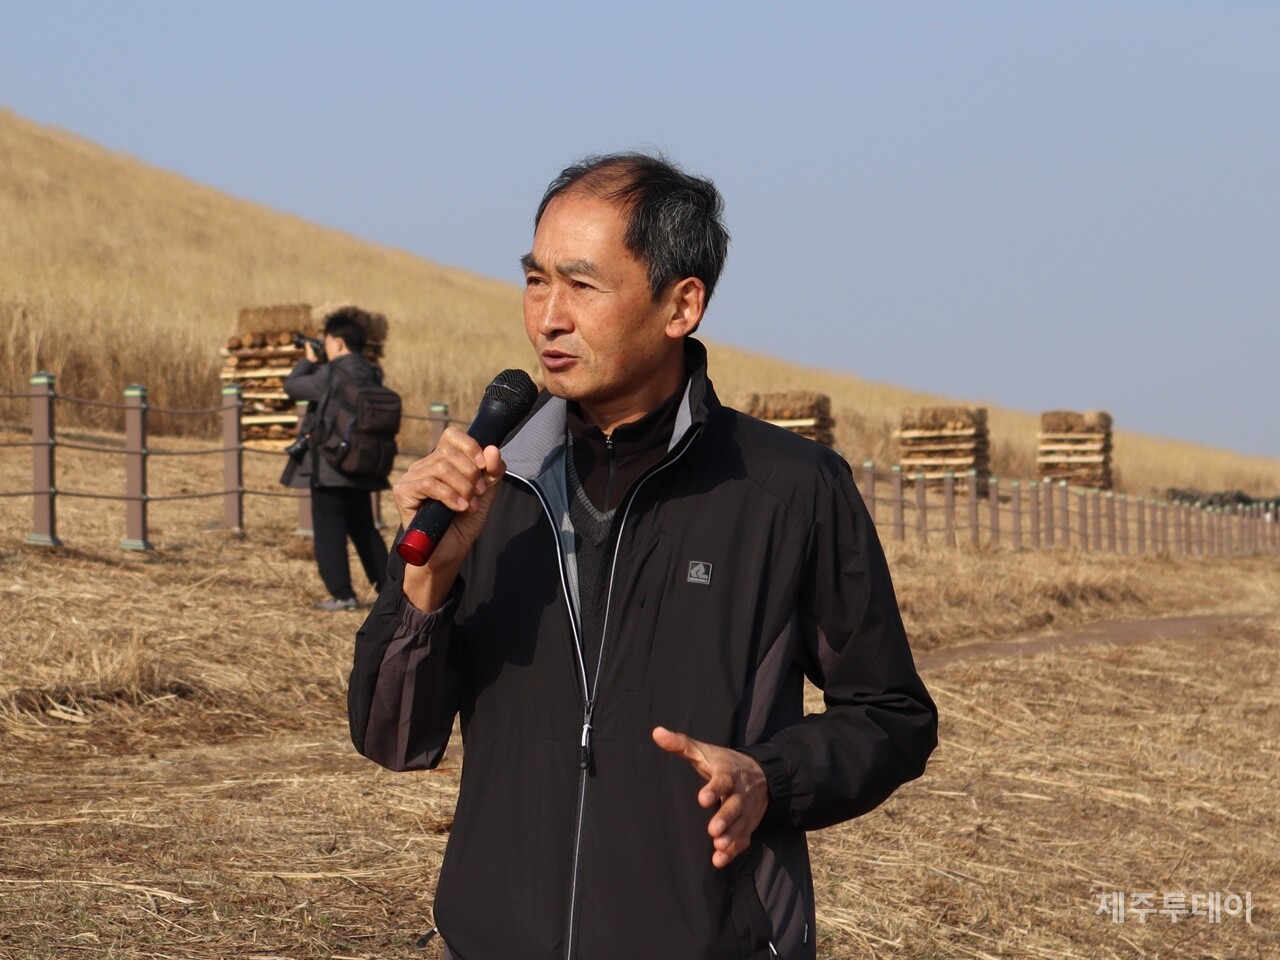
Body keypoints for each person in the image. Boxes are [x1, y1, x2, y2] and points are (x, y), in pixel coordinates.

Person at [348, 153, 937, 959]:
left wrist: (773, 777)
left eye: (581, 286)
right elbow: (391, 736)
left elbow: (892, 718)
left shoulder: (788, 491)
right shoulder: (494, 487)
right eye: (534, 281)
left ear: (680, 304)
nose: (548, 317)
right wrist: (428, 580)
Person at [282, 307, 390, 611]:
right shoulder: (371, 372)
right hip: (361, 463)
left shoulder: (330, 374)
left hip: (329, 466)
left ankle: (342, 594)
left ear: (338, 343)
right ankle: (390, 589)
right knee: (364, 529)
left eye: (327, 341)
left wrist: (308, 361)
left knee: (329, 531)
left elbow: (292, 387)